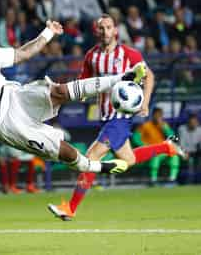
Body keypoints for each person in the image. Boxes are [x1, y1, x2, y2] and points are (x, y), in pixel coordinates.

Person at [0, 7, 144, 194]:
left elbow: (22, 53)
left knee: (58, 91)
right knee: (63, 151)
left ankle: (119, 78)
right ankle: (98, 167)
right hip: (5, 123)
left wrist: (48, 33)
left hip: (15, 95)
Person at [48, 14, 185, 221]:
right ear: (96, 31)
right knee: (128, 159)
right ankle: (167, 148)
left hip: (120, 117)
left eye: (109, 27)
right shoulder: (91, 57)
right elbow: (83, 84)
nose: (105, 31)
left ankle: (70, 208)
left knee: (91, 158)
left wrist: (146, 103)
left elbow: (150, 76)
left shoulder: (129, 54)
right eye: (101, 28)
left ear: (115, 31)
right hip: (105, 117)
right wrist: (79, 94)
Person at [135, 108, 180, 186]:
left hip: (163, 151)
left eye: (160, 115)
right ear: (153, 115)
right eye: (157, 115)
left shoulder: (164, 126)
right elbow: (135, 138)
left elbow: (172, 137)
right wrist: (145, 146)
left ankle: (172, 179)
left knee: (174, 157)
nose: (158, 117)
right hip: (151, 151)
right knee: (155, 156)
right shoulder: (146, 126)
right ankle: (153, 180)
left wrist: (165, 128)